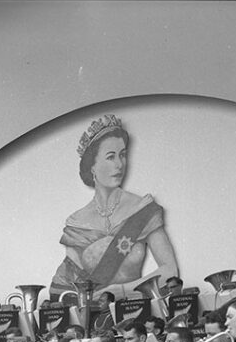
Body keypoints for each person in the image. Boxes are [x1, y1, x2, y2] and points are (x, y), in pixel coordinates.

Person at [49, 115, 178, 302]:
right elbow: (68, 284)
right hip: (95, 315)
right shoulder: (77, 222)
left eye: (123, 155)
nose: (119, 164)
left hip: (135, 308)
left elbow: (170, 270)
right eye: (110, 157)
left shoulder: (142, 209)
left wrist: (124, 291)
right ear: (92, 166)